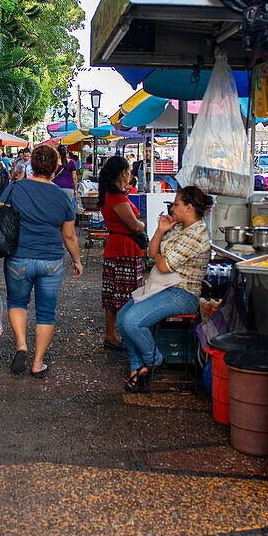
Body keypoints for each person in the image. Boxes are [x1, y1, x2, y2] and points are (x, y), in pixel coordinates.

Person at [0, 144, 82, 378]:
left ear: (31, 164)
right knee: (46, 311)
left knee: (17, 301)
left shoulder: (15, 187)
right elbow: (69, 235)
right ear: (55, 168)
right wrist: (77, 260)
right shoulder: (61, 196)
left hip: (19, 257)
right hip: (52, 260)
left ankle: (21, 345)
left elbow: (1, 221)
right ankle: (38, 362)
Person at [116, 186, 212, 394]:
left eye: (177, 204)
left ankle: (155, 360)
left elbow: (163, 265)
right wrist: (160, 230)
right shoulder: (178, 227)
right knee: (122, 318)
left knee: (133, 322)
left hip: (182, 293)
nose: (173, 208)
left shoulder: (197, 233)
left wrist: (159, 258)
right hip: (162, 287)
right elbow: (152, 253)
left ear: (188, 207)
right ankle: (138, 369)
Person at [98, 156, 144, 351]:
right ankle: (123, 334)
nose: (130, 175)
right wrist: (143, 224)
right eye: (128, 172)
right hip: (124, 248)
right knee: (127, 294)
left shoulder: (110, 195)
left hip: (116, 246)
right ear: (122, 173)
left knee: (113, 293)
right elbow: (134, 226)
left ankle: (112, 334)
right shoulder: (117, 198)